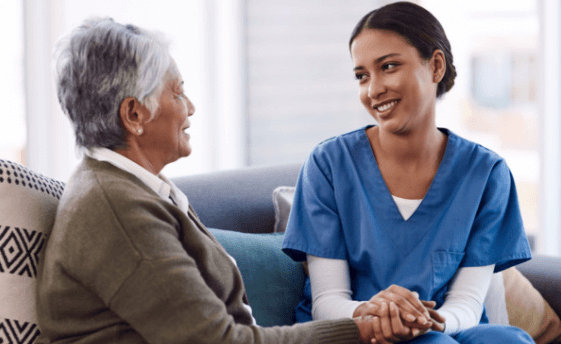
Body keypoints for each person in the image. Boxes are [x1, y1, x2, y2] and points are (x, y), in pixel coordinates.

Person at [35, 17, 399, 344]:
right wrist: (358, 329)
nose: (190, 107)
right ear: (134, 114)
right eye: (177, 92)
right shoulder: (116, 211)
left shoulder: (131, 189)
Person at [281, 2, 534, 344]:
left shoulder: (486, 174)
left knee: (507, 340)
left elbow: (467, 303)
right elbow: (328, 301)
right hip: (356, 329)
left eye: (388, 67)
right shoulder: (329, 165)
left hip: (447, 327)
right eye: (362, 76)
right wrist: (378, 313)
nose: (373, 89)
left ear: (435, 66)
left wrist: (429, 321)